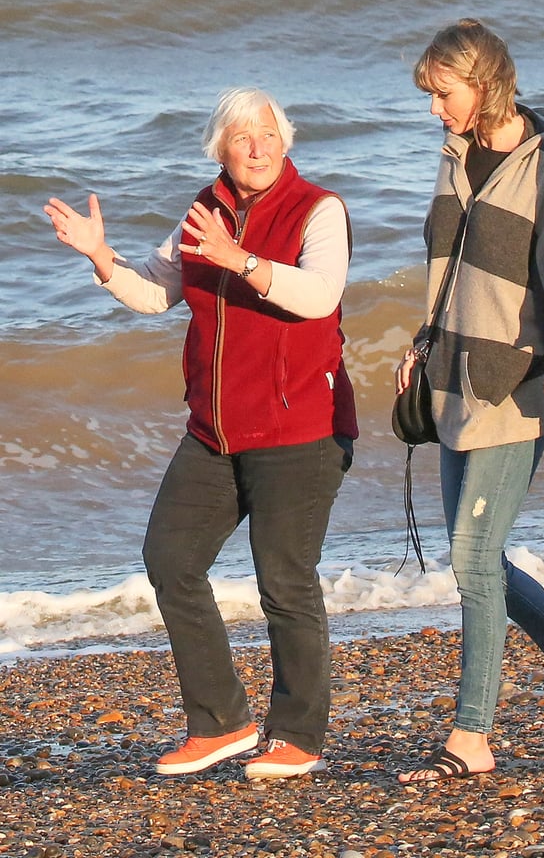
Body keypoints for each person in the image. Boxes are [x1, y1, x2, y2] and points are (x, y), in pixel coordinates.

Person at [44, 87, 357, 780]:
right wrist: (101, 257)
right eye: (244, 136)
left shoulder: (319, 209)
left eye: (269, 135)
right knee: (170, 559)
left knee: (285, 581)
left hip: (298, 427)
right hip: (214, 430)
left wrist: (239, 257)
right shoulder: (204, 210)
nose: (258, 147)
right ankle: (222, 722)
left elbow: (319, 295)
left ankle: (299, 735)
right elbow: (157, 291)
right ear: (221, 146)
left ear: (287, 142)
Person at [394, 19, 544, 783]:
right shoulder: (454, 157)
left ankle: (472, 737)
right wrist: (422, 341)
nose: (435, 109)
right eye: (431, 95)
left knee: (470, 557)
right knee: (480, 557)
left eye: (444, 93)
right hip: (454, 375)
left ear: (484, 83)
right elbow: (447, 265)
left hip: (521, 380)